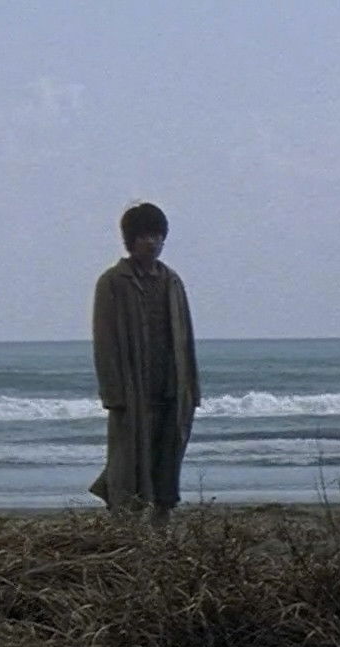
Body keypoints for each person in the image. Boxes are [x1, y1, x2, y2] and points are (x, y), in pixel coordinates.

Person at [89, 202, 200, 524]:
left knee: (167, 465)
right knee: (126, 466)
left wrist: (191, 389)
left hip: (172, 390)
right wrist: (113, 394)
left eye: (157, 235)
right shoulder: (113, 282)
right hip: (132, 392)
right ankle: (123, 527)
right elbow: (104, 341)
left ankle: (161, 530)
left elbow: (186, 339)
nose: (152, 242)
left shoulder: (172, 281)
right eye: (144, 236)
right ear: (130, 240)